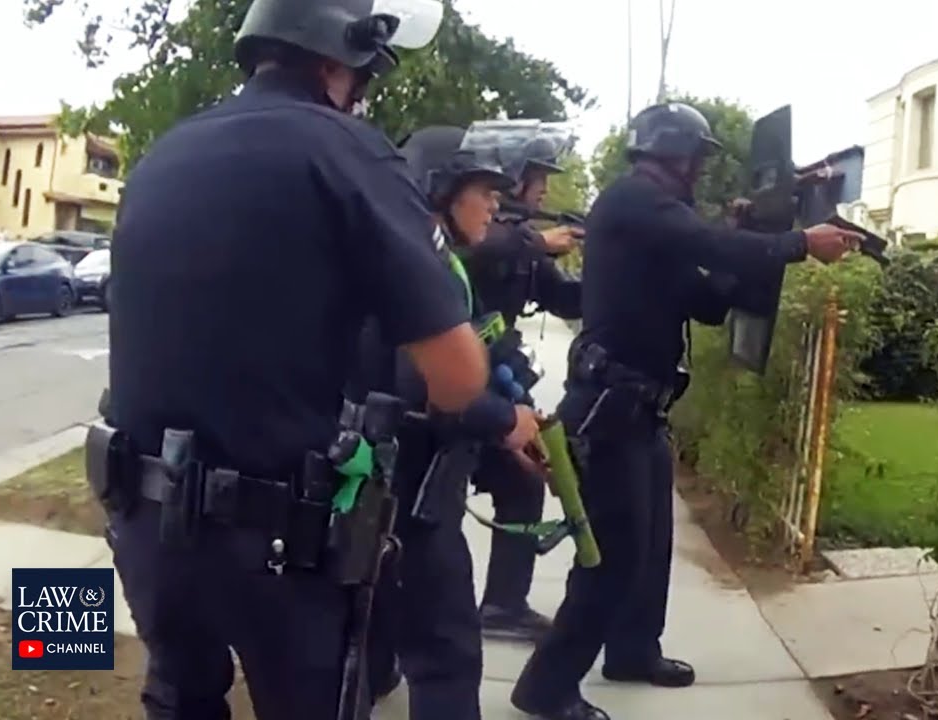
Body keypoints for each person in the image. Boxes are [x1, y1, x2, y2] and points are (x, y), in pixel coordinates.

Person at [99, 0, 489, 718]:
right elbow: (460, 379)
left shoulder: (168, 151)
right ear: (338, 61)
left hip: (144, 516)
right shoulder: (348, 149)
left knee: (180, 696)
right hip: (273, 535)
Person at [509, 102, 863, 720]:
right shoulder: (633, 200)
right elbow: (706, 244)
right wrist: (799, 242)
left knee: (649, 546)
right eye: (699, 160)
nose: (701, 172)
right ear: (678, 154)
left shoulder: (655, 221)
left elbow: (706, 301)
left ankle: (631, 651)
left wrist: (757, 243)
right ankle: (546, 688)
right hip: (609, 409)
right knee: (611, 557)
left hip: (638, 408)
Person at [355, 125, 542, 720]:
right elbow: (427, 392)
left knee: (369, 646)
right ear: (440, 188)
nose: (495, 203)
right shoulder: (419, 261)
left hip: (381, 494)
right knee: (446, 658)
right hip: (411, 501)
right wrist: (503, 420)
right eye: (483, 189)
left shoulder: (417, 254)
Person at [458, 121, 583, 642]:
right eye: (538, 178)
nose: (545, 190)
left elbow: (570, 300)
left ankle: (504, 604)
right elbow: (479, 252)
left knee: (525, 480)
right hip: (447, 387)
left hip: (494, 386)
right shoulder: (475, 231)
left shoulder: (521, 244)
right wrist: (537, 243)